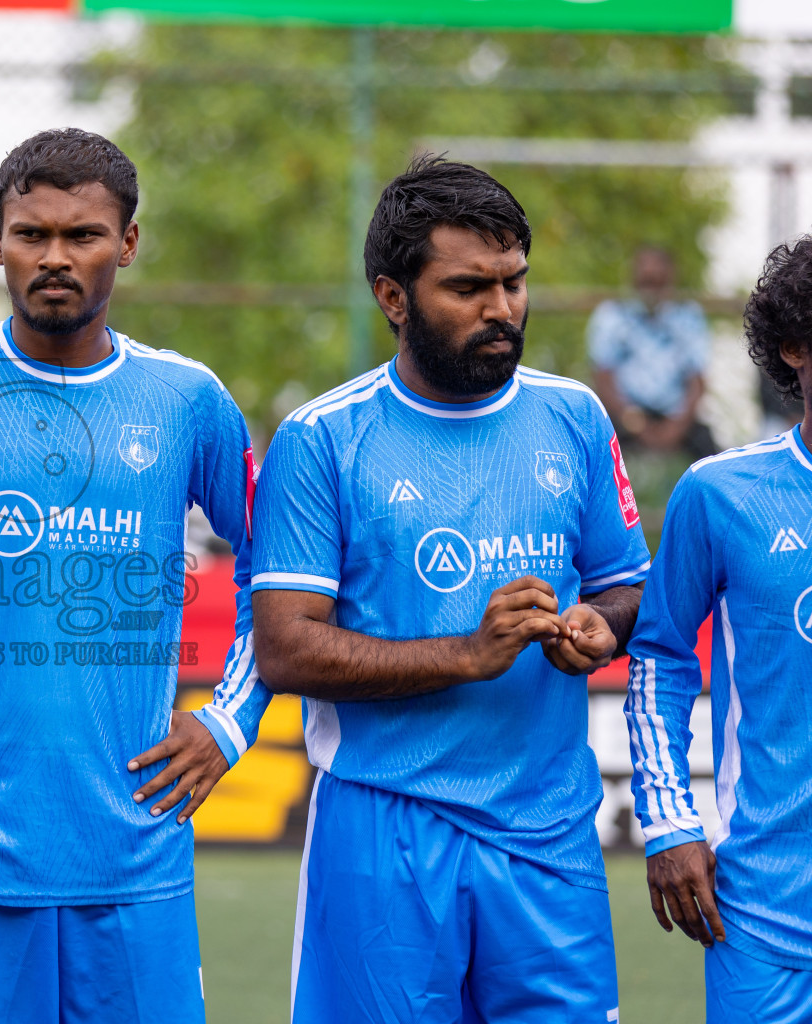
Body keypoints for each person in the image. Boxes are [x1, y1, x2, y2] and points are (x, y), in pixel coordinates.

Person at [0, 128, 271, 1024]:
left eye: (83, 235)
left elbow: (290, 576)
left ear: (128, 243)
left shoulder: (186, 397)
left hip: (136, 859)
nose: (55, 257)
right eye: (32, 233)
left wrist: (229, 725)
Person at [252, 155, 652, 1023]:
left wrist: (600, 626)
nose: (502, 311)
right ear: (393, 297)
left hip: (550, 836)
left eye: (514, 283)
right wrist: (468, 654)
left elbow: (629, 590)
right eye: (469, 287)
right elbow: (284, 647)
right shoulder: (322, 440)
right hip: (384, 832)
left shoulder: (575, 417)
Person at [625, 237, 812, 1023]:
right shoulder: (722, 493)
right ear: (794, 348)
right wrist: (669, 822)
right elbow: (660, 660)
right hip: (762, 910)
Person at [588, 245, 716, 458]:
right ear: (633, 277)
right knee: (594, 454)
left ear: (670, 279)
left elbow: (697, 380)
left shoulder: (689, 317)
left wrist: (676, 426)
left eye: (658, 281)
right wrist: (634, 423)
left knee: (713, 464)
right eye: (646, 280)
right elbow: (603, 378)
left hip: (678, 419)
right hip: (625, 417)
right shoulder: (612, 315)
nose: (651, 288)